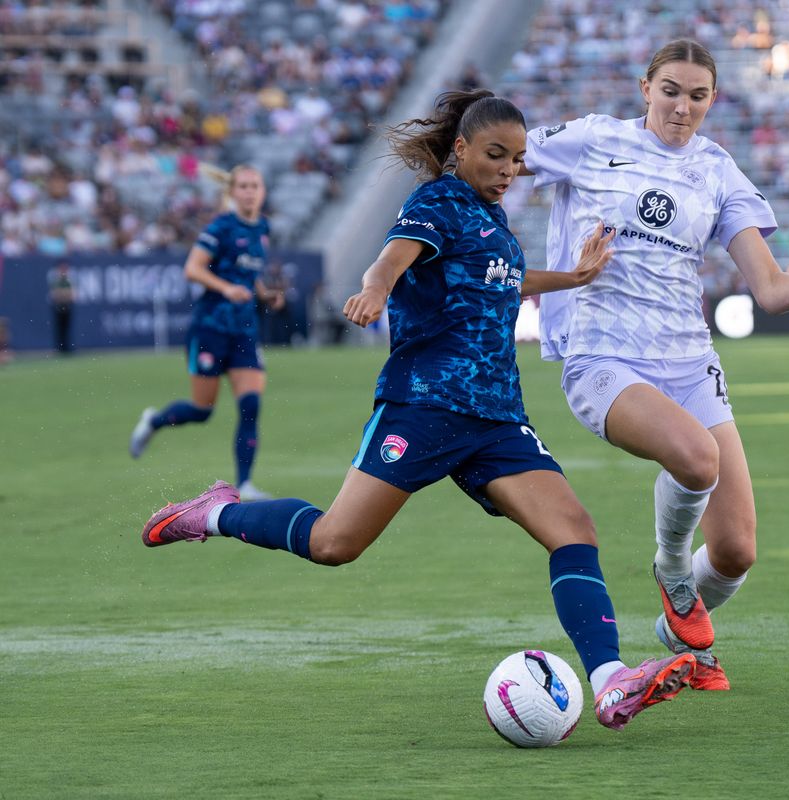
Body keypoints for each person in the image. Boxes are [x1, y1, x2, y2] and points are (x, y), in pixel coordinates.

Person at [139, 90, 696, 732]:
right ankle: (217, 512)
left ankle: (609, 681)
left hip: (495, 417)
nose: (509, 170)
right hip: (423, 405)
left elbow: (503, 278)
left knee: (574, 530)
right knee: (334, 542)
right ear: (460, 149)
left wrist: (570, 278)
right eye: (495, 155)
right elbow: (391, 259)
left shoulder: (492, 221)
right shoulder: (435, 203)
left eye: (517, 159)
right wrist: (374, 290)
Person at [520, 39, 789, 691]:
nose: (682, 106)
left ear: (712, 101)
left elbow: (770, 288)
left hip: (689, 361)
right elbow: (496, 161)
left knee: (735, 552)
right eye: (670, 90)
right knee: (698, 459)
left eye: (697, 95)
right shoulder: (590, 140)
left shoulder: (718, 171)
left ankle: (678, 632)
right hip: (604, 357)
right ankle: (672, 572)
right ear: (646, 88)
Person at [128, 165, 283, 500]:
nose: (249, 191)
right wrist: (226, 289)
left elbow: (248, 275)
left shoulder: (263, 228)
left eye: (254, 185)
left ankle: (243, 485)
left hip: (243, 330)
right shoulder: (220, 227)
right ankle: (154, 421)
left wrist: (263, 293)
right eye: (242, 186)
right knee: (202, 410)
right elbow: (192, 269)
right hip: (211, 327)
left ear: (263, 191)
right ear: (232, 192)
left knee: (251, 403)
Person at [47, 260, 75, 354]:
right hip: (59, 307)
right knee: (59, 328)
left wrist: (62, 294)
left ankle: (66, 347)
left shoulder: (68, 281)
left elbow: (72, 295)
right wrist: (64, 294)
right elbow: (54, 294)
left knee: (67, 328)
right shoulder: (57, 280)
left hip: (66, 306)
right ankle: (59, 348)